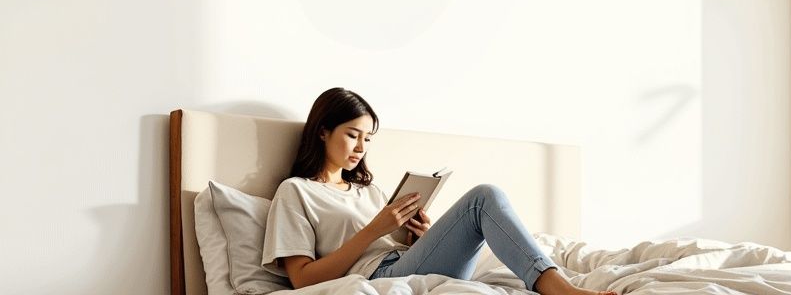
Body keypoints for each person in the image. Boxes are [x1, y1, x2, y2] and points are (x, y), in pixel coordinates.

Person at [262, 87, 616, 295]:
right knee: (483, 198)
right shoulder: (296, 192)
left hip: (405, 263)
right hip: (378, 276)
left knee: (483, 202)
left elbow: (392, 244)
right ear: (323, 131)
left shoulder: (367, 190)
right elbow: (301, 279)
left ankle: (552, 282)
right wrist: (373, 230)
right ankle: (558, 288)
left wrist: (419, 236)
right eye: (353, 135)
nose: (360, 147)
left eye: (367, 139)